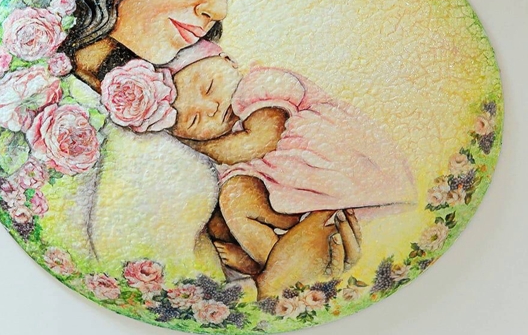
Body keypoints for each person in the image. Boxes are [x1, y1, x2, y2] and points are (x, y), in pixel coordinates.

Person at [57, 0, 362, 295]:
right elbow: (136, 289)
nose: (219, 9)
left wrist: (288, 258)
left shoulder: (169, 90)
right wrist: (276, 284)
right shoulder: (61, 118)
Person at [168, 43, 415, 297]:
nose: (211, 108)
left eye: (209, 87)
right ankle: (270, 265)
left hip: (328, 167)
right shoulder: (228, 157)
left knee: (237, 195)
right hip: (288, 190)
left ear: (228, 61)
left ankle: (276, 269)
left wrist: (199, 145)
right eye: (194, 120)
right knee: (233, 201)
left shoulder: (258, 84)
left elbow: (260, 142)